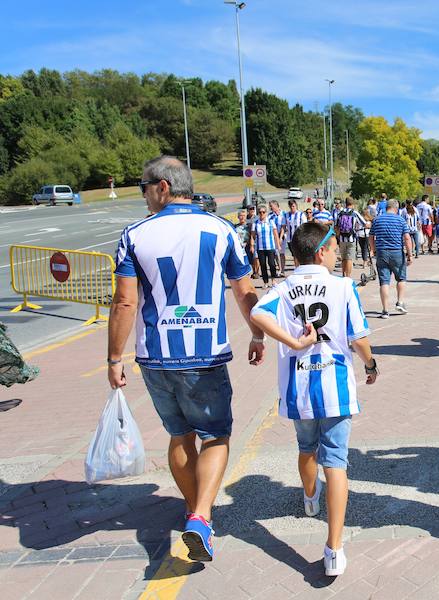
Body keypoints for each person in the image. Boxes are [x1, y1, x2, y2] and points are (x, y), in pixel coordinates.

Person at [107, 155, 266, 562]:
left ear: (162, 187)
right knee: (216, 435)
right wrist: (257, 333)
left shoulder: (134, 235)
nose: (142, 196)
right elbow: (243, 290)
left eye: (144, 187)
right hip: (206, 353)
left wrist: (114, 358)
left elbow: (125, 302)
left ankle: (197, 512)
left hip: (156, 355)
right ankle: (201, 517)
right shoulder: (221, 229)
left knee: (180, 437)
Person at [250, 221, 378, 577]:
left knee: (306, 447)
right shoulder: (342, 286)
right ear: (321, 251)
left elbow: (257, 313)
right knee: (336, 461)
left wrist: (291, 342)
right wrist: (370, 363)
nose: (337, 256)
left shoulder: (284, 286)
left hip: (298, 386)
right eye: (335, 249)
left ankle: (310, 499)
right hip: (334, 384)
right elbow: (358, 337)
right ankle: (334, 547)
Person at [369, 199, 413, 318]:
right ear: (396, 208)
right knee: (401, 278)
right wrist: (410, 254)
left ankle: (385, 310)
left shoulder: (377, 220)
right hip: (397, 252)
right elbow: (407, 238)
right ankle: (400, 302)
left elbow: (371, 236)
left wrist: (373, 250)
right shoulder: (400, 220)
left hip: (382, 252)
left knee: (384, 282)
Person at [252, 204, 282, 288]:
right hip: (260, 248)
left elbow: (275, 234)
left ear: (266, 213)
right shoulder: (256, 223)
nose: (262, 214)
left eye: (263, 212)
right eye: (260, 212)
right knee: (263, 265)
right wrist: (252, 244)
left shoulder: (270, 221)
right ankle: (265, 282)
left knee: (272, 264)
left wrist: (278, 245)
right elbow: (253, 235)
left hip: (270, 247)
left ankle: (273, 280)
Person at [336, 198, 366, 278]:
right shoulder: (354, 213)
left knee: (343, 258)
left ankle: (343, 275)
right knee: (349, 259)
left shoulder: (340, 213)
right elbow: (364, 223)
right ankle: (348, 277)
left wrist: (338, 237)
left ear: (345, 203)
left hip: (342, 238)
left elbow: (337, 226)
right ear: (352, 204)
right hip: (351, 238)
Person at [269, 200, 287, 276]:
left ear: (276, 205)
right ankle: (279, 269)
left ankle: (283, 270)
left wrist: (280, 238)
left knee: (282, 253)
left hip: (281, 235)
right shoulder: (270, 215)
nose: (270, 207)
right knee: (276, 253)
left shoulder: (284, 213)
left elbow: (284, 226)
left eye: (271, 206)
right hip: (273, 236)